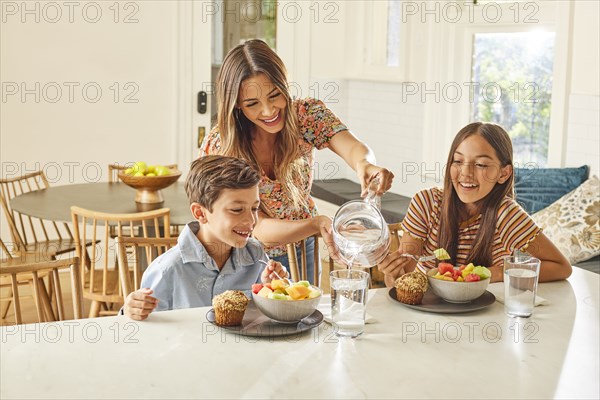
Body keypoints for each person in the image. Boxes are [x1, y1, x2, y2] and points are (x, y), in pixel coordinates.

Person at [200, 39, 395, 283]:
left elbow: (353, 146)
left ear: (284, 85)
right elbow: (256, 227)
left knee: (306, 317)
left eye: (275, 96)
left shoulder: (305, 115)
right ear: (237, 106)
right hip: (247, 257)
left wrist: (365, 165)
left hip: (304, 251)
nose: (269, 111)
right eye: (252, 104)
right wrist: (315, 224)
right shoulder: (223, 146)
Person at [377, 122, 571, 286]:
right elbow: (406, 274)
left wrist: (496, 273)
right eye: (458, 161)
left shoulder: (506, 214)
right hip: (427, 314)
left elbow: (561, 267)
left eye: (480, 164)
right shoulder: (426, 204)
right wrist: (392, 273)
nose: (466, 173)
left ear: (503, 173)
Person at [124, 155, 288, 321]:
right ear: (200, 213)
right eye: (237, 210)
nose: (251, 220)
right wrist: (131, 312)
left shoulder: (256, 255)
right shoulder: (168, 270)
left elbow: (276, 314)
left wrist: (273, 288)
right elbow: (142, 328)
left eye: (254, 208)